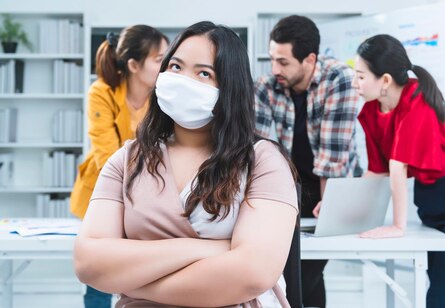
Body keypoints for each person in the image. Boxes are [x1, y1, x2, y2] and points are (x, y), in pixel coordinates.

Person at [73, 21, 298, 307]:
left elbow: (252, 274)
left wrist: (136, 285)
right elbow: (88, 262)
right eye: (176, 67)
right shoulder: (127, 160)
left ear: (230, 87)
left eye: (204, 73)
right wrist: (210, 249)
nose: (183, 80)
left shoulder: (263, 161)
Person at [349, 34, 445, 307]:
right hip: (430, 203)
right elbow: (378, 171)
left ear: (385, 80)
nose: (355, 84)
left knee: (443, 297)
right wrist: (340, 205)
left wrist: (398, 227)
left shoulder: (418, 101)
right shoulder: (370, 112)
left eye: (361, 76)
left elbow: (397, 166)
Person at [254, 15, 361, 308]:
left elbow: (333, 154)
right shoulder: (265, 87)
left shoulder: (339, 79)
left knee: (304, 270)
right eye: (272, 59)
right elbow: (255, 151)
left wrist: (330, 208)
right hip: (294, 183)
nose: (275, 69)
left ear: (310, 59)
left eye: (284, 62)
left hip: (335, 184)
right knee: (295, 263)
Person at [69, 24, 168, 308]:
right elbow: (106, 156)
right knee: (100, 275)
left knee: (142, 274)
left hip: (148, 198)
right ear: (135, 64)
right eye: (160, 59)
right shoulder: (101, 92)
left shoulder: (162, 96)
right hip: (103, 193)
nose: (167, 66)